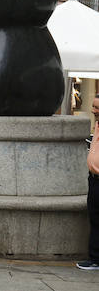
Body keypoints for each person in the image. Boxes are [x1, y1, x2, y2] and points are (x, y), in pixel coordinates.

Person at [79, 95, 99, 270]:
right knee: (95, 219)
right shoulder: (98, 126)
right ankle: (95, 258)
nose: (93, 110)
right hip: (94, 180)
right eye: (93, 106)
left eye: (97, 107)